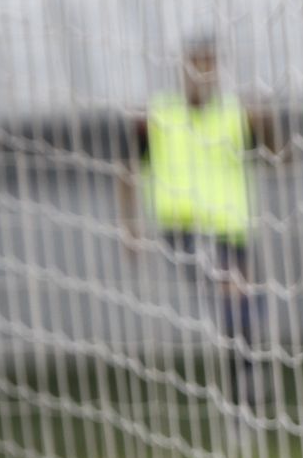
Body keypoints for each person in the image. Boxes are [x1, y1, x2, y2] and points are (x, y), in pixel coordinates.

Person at [119, 38, 282, 428]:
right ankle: (245, 386)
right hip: (184, 230)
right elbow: (127, 171)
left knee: (233, 314)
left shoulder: (235, 114)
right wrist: (129, 226)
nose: (202, 76)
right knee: (233, 296)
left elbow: (278, 159)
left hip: (231, 230)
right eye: (196, 66)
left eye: (209, 67)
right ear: (184, 69)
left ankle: (243, 391)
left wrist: (268, 123)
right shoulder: (158, 116)